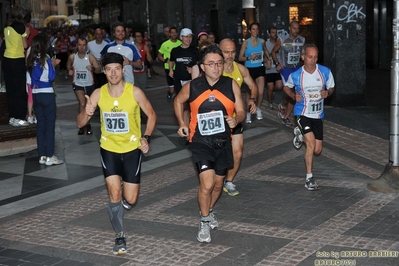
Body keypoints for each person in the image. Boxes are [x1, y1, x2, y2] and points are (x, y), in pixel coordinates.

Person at [77, 52, 156, 254]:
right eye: (109, 69)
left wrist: (145, 137)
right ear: (104, 71)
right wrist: (87, 111)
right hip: (109, 150)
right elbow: (80, 123)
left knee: (130, 199)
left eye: (117, 69)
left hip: (131, 151)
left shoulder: (134, 92)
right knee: (114, 192)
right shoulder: (97, 94)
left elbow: (152, 114)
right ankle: (119, 236)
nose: (113, 73)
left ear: (123, 70)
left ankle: (119, 204)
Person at [174, 46, 245, 243]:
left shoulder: (231, 85)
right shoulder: (193, 86)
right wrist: (181, 122)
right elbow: (178, 101)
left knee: (218, 184)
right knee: (206, 182)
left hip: (223, 142)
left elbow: (241, 111)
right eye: (211, 64)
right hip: (200, 141)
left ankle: (209, 209)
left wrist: (236, 119)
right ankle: (204, 221)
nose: (216, 67)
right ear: (203, 67)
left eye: (219, 63)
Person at [284, 44, 335, 191]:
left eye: (315, 57)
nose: (313, 60)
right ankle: (309, 178)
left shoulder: (325, 72)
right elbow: (286, 87)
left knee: (318, 150)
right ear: (303, 57)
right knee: (311, 144)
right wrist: (294, 96)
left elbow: (331, 87)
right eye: (310, 57)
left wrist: (328, 93)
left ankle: (300, 135)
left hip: (318, 114)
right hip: (302, 113)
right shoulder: (296, 75)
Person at [219, 38, 258, 196]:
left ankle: (228, 181)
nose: (230, 55)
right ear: (219, 52)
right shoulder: (215, 70)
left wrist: (252, 99)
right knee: (218, 153)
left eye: (233, 51)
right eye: (226, 52)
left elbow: (253, 86)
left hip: (236, 118)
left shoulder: (240, 69)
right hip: (217, 120)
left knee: (238, 152)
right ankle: (216, 179)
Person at [26, 33, 63, 166]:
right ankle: (50, 156)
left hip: (36, 95)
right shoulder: (46, 60)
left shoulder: (31, 60)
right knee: (49, 126)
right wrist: (53, 64)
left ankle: (42, 155)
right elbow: (51, 77)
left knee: (40, 126)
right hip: (47, 94)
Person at [271, 21, 305, 126]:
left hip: (296, 68)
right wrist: (277, 63)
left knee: (294, 93)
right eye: (294, 28)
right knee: (289, 91)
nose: (296, 30)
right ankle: (284, 109)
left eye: (298, 28)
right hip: (285, 69)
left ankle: (285, 113)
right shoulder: (282, 40)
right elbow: (273, 52)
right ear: (289, 28)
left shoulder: (302, 40)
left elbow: (302, 54)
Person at [67, 37, 101, 135]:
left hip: (89, 84)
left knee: (88, 105)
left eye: (84, 45)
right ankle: (82, 125)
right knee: (82, 103)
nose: (82, 47)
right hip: (78, 84)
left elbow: (99, 70)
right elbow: (68, 65)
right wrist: (69, 70)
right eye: (80, 45)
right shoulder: (72, 57)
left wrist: (93, 69)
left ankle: (87, 123)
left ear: (86, 46)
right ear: (77, 45)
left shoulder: (90, 57)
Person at [238, 22, 271, 124]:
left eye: (257, 29)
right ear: (249, 31)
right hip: (249, 69)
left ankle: (259, 109)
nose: (255, 31)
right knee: (249, 93)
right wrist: (249, 57)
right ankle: (248, 113)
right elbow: (240, 57)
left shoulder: (262, 41)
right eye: (253, 29)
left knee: (260, 91)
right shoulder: (245, 43)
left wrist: (268, 60)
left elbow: (265, 51)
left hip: (260, 67)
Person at [3, 5, 30, 127]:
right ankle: (20, 117)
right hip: (17, 60)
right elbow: (25, 46)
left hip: (7, 60)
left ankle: (12, 117)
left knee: (11, 90)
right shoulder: (21, 27)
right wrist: (27, 34)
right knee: (20, 90)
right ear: (21, 15)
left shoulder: (6, 27)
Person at [168, 28, 199, 96]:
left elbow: (200, 63)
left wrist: (194, 69)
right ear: (181, 37)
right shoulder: (175, 50)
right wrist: (170, 69)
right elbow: (171, 60)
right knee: (180, 100)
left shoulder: (195, 50)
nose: (189, 39)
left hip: (191, 80)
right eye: (186, 36)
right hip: (179, 80)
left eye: (190, 36)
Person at [157, 27, 182, 99]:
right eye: (172, 33)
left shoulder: (180, 43)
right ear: (169, 34)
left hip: (178, 68)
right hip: (168, 68)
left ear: (177, 33)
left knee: (179, 87)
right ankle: (169, 91)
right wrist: (165, 60)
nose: (174, 34)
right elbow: (159, 55)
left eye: (175, 32)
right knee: (172, 89)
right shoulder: (165, 44)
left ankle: (177, 101)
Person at [265, 26, 283, 110]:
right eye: (272, 32)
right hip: (269, 69)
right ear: (269, 34)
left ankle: (273, 91)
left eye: (276, 32)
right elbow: (262, 56)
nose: (274, 34)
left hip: (277, 68)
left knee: (279, 86)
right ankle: (270, 102)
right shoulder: (265, 44)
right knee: (270, 87)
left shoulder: (280, 42)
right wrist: (265, 61)